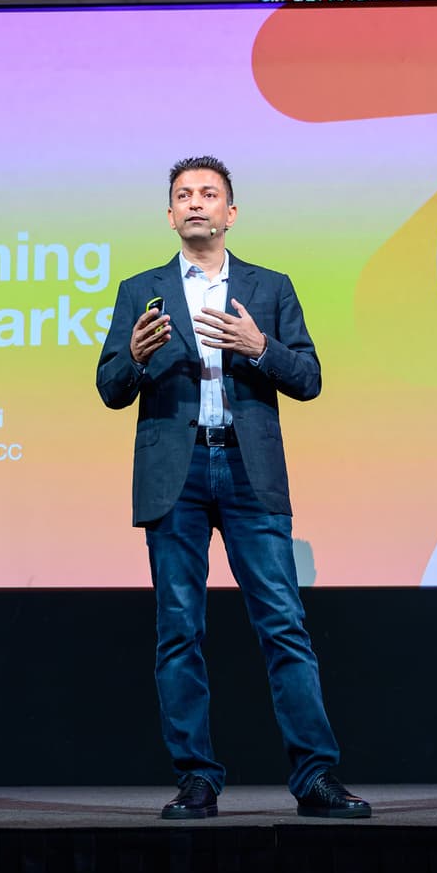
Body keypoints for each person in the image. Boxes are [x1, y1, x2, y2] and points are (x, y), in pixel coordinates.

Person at [96, 156, 369, 821]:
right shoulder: (141, 291)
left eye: (209, 194)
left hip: (250, 471)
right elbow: (109, 387)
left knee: (284, 625)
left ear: (231, 212)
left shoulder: (269, 287)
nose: (196, 203)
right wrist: (134, 357)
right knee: (178, 630)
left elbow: (309, 379)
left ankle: (316, 778)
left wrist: (258, 346)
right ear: (170, 215)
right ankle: (196, 778)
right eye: (184, 195)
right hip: (176, 472)